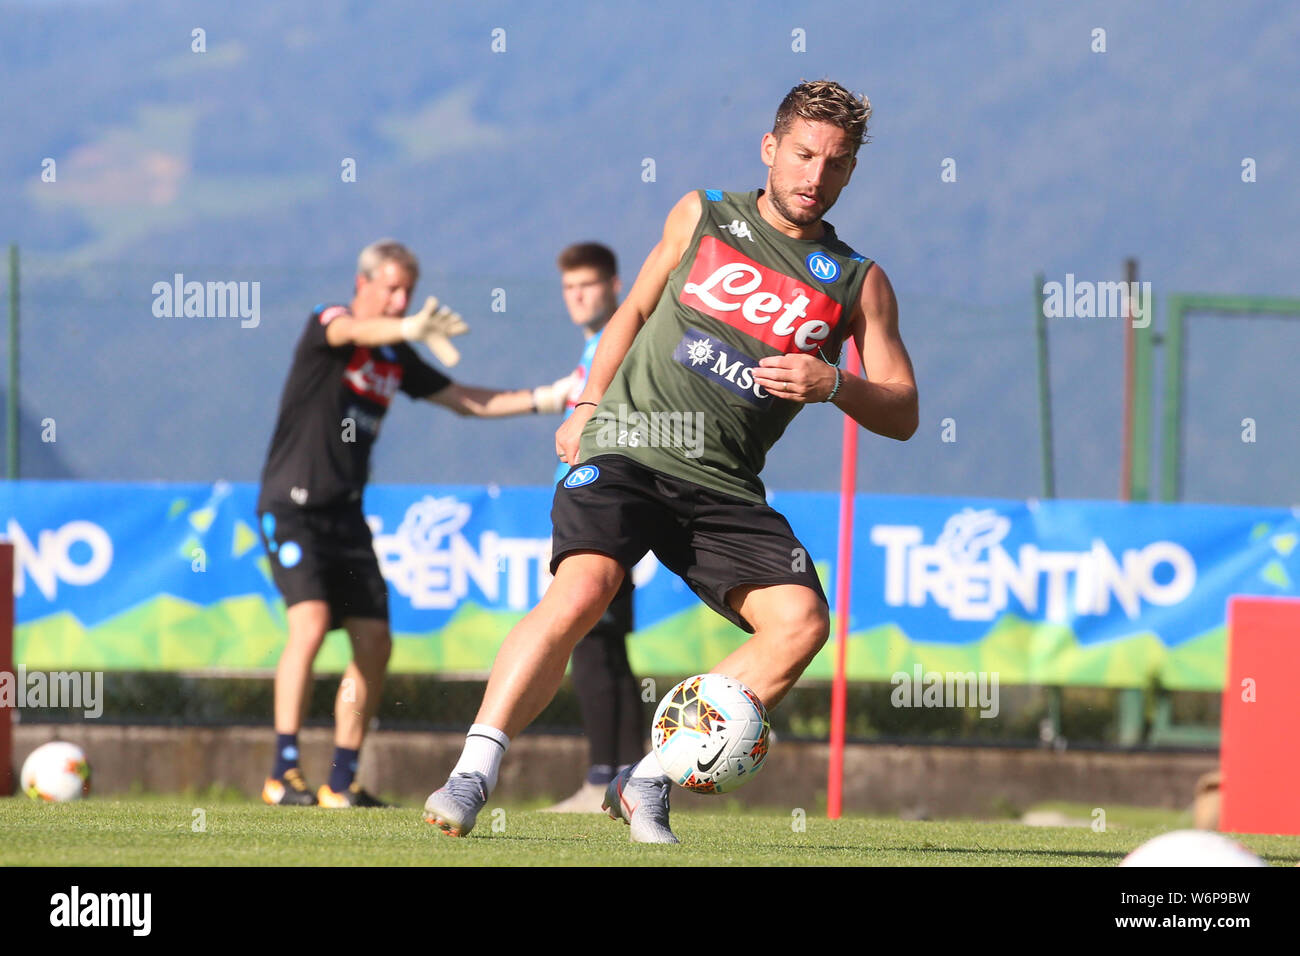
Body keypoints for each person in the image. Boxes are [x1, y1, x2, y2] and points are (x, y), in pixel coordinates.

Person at [424, 79, 918, 842]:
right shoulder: (703, 214)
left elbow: (904, 408)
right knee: (586, 586)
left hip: (722, 485)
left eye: (836, 162)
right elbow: (632, 311)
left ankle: (644, 778)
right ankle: (474, 771)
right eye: (803, 153)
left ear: (852, 172)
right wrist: (588, 405)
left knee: (800, 622)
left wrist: (835, 383)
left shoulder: (858, 282)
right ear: (771, 148)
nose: (815, 175)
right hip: (629, 444)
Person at [257, 238, 554, 808]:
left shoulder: (396, 356)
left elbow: (466, 400)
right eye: (391, 288)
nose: (399, 300)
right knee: (312, 622)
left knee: (375, 642)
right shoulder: (330, 323)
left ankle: (339, 782)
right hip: (292, 506)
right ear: (362, 283)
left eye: (408, 292)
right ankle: (282, 772)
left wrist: (548, 397)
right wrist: (410, 326)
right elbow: (353, 333)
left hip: (346, 514)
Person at [531, 243, 646, 814]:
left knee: (593, 639)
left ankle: (606, 776)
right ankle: (623, 780)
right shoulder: (591, 349)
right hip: (593, 498)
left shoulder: (620, 340)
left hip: (604, 497)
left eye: (588, 285)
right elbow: (562, 397)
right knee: (603, 641)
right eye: (568, 286)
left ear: (614, 286)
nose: (577, 296)